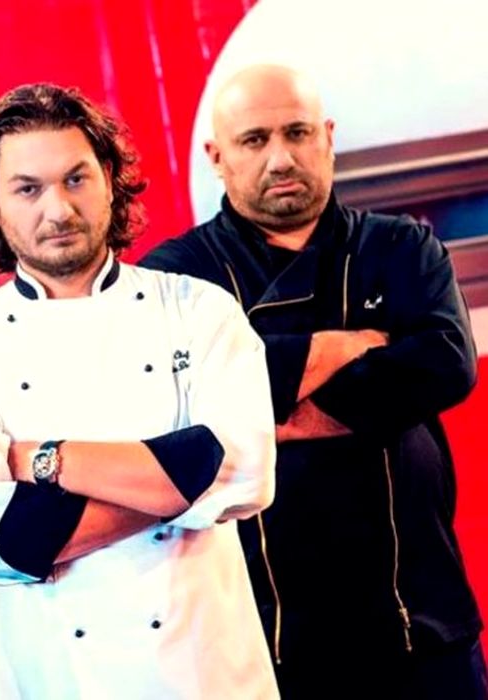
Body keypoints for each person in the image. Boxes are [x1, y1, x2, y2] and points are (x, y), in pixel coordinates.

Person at [0, 83, 279, 699]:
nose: (58, 209)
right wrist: (175, 477)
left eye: (76, 179)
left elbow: (246, 477)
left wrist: (42, 460)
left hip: (202, 670)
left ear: (109, 180)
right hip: (56, 678)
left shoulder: (199, 310)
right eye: (28, 189)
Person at [140, 64, 487, 699]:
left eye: (297, 133)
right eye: (254, 140)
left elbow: (445, 364)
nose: (281, 158)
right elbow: (177, 407)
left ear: (326, 137)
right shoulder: (176, 279)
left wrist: (259, 417)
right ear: (216, 156)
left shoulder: (402, 247)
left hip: (421, 617)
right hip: (269, 639)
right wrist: (345, 348)